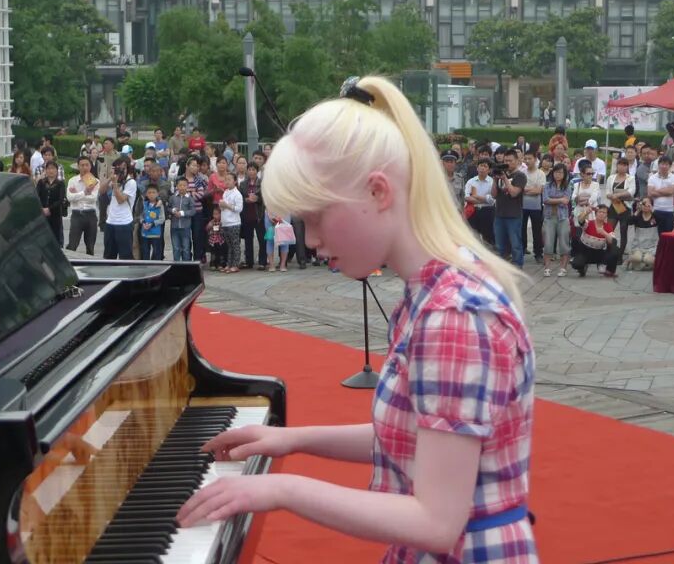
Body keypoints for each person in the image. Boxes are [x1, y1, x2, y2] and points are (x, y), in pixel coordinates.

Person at [178, 76, 537, 563]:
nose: (310, 240)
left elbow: (435, 522)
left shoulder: (452, 315)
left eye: (317, 217)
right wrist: (290, 439)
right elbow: (409, 437)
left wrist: (281, 490)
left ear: (378, 192)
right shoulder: (430, 294)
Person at [492, 151, 526, 267]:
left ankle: (517, 264)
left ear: (517, 161)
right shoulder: (501, 173)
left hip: (514, 215)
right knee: (500, 243)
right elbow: (494, 194)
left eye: (510, 161)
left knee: (515, 243)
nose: (507, 163)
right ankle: (502, 265)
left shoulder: (520, 176)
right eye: (506, 161)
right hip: (499, 214)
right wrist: (495, 180)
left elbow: (514, 193)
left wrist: (505, 179)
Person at [572, 205, 621, 278]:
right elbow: (580, 221)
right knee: (576, 264)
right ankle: (582, 268)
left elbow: (613, 242)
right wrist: (585, 212)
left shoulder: (608, 227)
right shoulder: (589, 223)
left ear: (606, 215)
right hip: (585, 252)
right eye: (600, 212)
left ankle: (609, 271)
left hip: (599, 253)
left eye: (604, 212)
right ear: (596, 213)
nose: (601, 214)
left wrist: (604, 233)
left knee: (615, 249)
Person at [102, 157, 138, 260]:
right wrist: (110, 178)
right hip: (110, 222)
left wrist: (114, 184)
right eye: (118, 168)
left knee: (125, 255)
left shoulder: (131, 182)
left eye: (123, 168)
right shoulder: (115, 179)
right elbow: (101, 191)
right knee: (108, 255)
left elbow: (121, 200)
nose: (120, 171)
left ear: (127, 169)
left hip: (124, 223)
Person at [542, 163, 572, 277]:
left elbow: (566, 201)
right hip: (549, 217)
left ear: (564, 174)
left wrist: (553, 199)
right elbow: (545, 200)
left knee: (564, 243)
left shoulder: (567, 186)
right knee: (548, 243)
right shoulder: (547, 185)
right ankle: (547, 268)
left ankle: (563, 268)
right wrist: (560, 199)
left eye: (560, 172)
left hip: (563, 217)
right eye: (556, 172)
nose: (558, 175)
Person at [66, 157, 99, 255]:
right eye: (82, 165)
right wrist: (84, 192)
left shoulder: (95, 181)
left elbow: (93, 198)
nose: (85, 167)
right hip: (77, 214)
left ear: (90, 166)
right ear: (78, 166)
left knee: (90, 246)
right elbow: (70, 197)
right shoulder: (72, 181)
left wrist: (77, 194)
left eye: (87, 165)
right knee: (72, 244)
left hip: (90, 214)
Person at [239, 164, 267, 269]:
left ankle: (262, 262)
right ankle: (249, 261)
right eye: (249, 169)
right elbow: (239, 197)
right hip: (247, 215)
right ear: (247, 171)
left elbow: (265, 198)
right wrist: (245, 200)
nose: (251, 172)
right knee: (248, 240)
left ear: (257, 171)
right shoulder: (243, 184)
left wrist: (257, 199)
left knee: (262, 239)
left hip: (258, 215)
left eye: (253, 169)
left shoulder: (262, 183)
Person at [605, 157, 634, 257]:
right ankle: (609, 251)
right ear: (617, 166)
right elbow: (607, 192)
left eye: (625, 165)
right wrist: (611, 196)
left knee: (623, 231)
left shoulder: (631, 178)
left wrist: (617, 195)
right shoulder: (611, 178)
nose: (622, 167)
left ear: (627, 167)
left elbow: (631, 192)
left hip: (625, 207)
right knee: (609, 230)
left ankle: (620, 255)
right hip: (613, 205)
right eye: (620, 164)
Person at [464, 159, 496, 246]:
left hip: (488, 211)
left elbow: (492, 200)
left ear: (489, 170)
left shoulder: (492, 182)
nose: (482, 168)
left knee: (488, 237)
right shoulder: (471, 181)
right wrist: (484, 199)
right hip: (473, 211)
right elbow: (466, 197)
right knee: (473, 236)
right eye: (480, 166)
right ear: (477, 168)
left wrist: (476, 196)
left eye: (485, 166)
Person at [520, 151, 545, 263]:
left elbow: (539, 190)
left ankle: (538, 253)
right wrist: (531, 189)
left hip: (536, 206)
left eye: (529, 158)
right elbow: (520, 189)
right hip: (522, 205)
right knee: (521, 229)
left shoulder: (540, 173)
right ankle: (522, 250)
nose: (527, 161)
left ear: (535, 159)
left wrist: (526, 190)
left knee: (537, 231)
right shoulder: (522, 173)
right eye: (525, 159)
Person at [647, 156, 674, 234]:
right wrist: (666, 191)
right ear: (658, 165)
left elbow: (671, 192)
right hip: (656, 210)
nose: (664, 166)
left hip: (669, 211)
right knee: (657, 234)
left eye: (666, 164)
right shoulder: (652, 177)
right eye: (662, 164)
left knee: (668, 234)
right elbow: (650, 193)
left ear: (670, 166)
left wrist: (656, 191)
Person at [219, 172, 243, 273]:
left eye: (229, 179)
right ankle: (229, 264)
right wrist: (221, 206)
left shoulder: (237, 194)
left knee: (235, 244)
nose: (227, 181)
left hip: (234, 223)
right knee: (229, 245)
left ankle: (235, 264)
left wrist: (226, 205)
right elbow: (223, 207)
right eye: (226, 179)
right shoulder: (225, 192)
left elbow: (239, 209)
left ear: (235, 181)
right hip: (225, 222)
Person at [625, 199, 659, 271]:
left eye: (648, 204)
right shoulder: (638, 216)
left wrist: (652, 210)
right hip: (639, 246)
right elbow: (629, 221)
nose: (645, 206)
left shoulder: (655, 216)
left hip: (651, 246)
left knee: (647, 260)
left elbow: (661, 220)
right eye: (643, 204)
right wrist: (637, 211)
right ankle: (632, 260)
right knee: (637, 258)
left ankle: (645, 262)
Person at [36, 161, 64, 244]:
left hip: (55, 214)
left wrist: (49, 209)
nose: (50, 171)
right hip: (42, 213)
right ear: (45, 170)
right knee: (42, 237)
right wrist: (41, 208)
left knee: (55, 237)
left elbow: (61, 199)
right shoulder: (41, 182)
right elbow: (36, 196)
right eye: (48, 168)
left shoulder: (60, 183)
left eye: (53, 168)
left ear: (56, 170)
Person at [169, 178, 195, 261]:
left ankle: (185, 265)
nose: (182, 187)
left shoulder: (190, 198)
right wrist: (172, 210)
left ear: (187, 186)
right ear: (177, 186)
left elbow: (193, 211)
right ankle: (176, 265)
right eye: (180, 185)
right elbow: (168, 208)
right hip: (174, 227)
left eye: (184, 185)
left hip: (185, 227)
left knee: (186, 248)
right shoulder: (173, 197)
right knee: (176, 248)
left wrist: (182, 213)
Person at [140, 184, 166, 260]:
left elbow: (162, 219)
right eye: (149, 192)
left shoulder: (160, 205)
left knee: (157, 252)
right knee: (145, 252)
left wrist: (152, 224)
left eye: (153, 192)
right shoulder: (144, 204)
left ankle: (156, 265)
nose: (151, 194)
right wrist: (143, 222)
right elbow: (141, 216)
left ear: (157, 194)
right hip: (145, 233)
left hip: (155, 234)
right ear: (146, 194)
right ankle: (146, 266)